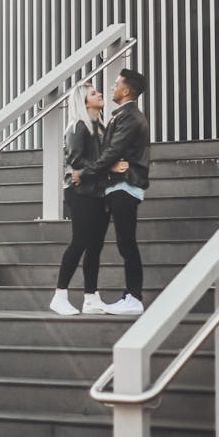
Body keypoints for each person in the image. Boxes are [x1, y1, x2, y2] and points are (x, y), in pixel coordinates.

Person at [72, 68, 150, 315]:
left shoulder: (129, 117)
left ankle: (134, 297)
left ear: (126, 90)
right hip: (116, 184)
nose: (112, 88)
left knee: (127, 243)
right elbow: (110, 154)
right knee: (124, 242)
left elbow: (112, 152)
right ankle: (130, 295)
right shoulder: (120, 116)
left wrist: (84, 173)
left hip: (125, 185)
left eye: (116, 84)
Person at [49, 83, 127, 316]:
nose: (100, 94)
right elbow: (77, 164)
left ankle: (91, 298)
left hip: (99, 193)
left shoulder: (100, 128)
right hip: (80, 192)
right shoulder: (78, 127)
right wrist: (110, 166)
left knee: (95, 246)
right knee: (80, 241)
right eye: (93, 93)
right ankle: (59, 295)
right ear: (84, 102)